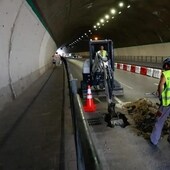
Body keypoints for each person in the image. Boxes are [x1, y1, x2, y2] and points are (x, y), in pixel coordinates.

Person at [150, 57, 170, 145]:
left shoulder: (165, 74)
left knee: (159, 121)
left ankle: (154, 140)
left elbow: (161, 85)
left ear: (166, 65)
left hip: (166, 103)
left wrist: (161, 96)